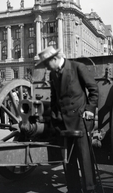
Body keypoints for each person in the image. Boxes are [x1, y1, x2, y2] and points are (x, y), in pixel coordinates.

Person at [35, 46, 98, 193]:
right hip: (63, 124)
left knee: (84, 158)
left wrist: (89, 110)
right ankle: (73, 189)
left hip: (80, 121)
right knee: (68, 160)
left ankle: (90, 189)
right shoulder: (53, 75)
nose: (46, 68)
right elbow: (54, 99)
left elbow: (94, 90)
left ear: (55, 59)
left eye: (46, 64)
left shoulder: (78, 68)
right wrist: (55, 118)